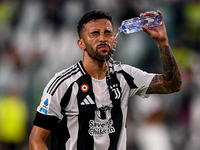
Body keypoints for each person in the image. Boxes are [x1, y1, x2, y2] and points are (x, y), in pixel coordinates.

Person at [29, 9, 182, 150]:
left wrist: (162, 42)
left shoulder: (125, 76)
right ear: (81, 43)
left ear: (114, 41)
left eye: (107, 33)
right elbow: (36, 139)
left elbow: (172, 84)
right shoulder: (63, 84)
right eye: (95, 33)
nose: (102, 38)